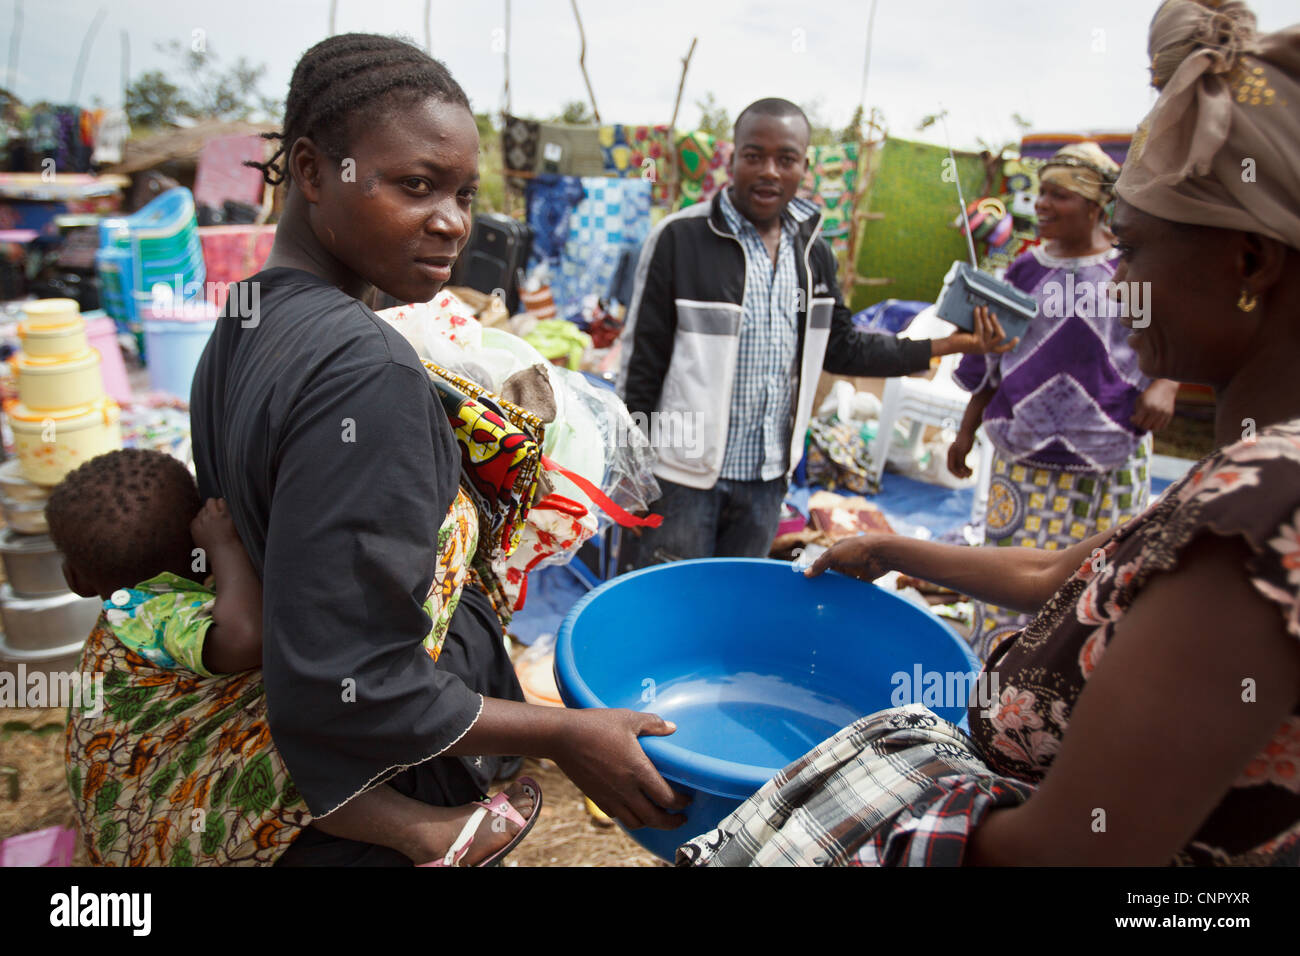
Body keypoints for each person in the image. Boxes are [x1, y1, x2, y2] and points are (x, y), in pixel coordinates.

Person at [66, 34, 688, 868]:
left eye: (465, 193)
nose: (453, 222)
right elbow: (350, 683)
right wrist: (565, 734)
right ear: (314, 171)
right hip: (384, 788)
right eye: (417, 185)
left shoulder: (249, 314)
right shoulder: (364, 373)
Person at [795, 0, 1300, 865]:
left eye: (1134, 251)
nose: (1117, 281)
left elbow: (1070, 852)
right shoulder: (1244, 474)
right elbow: (1058, 572)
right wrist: (893, 551)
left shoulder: (1261, 515)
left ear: (1248, 262)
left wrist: (871, 819)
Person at [51, 449, 540, 867]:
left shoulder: (129, 611)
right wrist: (225, 548)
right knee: (313, 740)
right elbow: (245, 637)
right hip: (172, 812)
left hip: (141, 810)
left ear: (76, 580)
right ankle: (431, 836)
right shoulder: (153, 613)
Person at [617, 98, 1015, 571]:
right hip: (682, 477)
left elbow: (845, 348)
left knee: (734, 614)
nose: (769, 171)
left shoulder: (813, 255)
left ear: (804, 166)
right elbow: (642, 364)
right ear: (731, 159)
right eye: (753, 155)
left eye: (785, 159)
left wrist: (951, 345)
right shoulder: (680, 239)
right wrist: (633, 474)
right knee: (666, 608)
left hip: (765, 482)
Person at [948, 141, 1181, 660]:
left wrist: (1166, 384)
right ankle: (995, 694)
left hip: (1105, 461)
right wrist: (965, 432)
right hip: (1022, 462)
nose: (1042, 206)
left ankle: (1067, 706)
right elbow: (992, 362)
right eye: (1041, 194)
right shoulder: (1023, 273)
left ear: (1096, 205)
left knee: (1091, 593)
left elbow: (1168, 339)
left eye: (1059, 196)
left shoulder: (1128, 273)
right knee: (1005, 589)